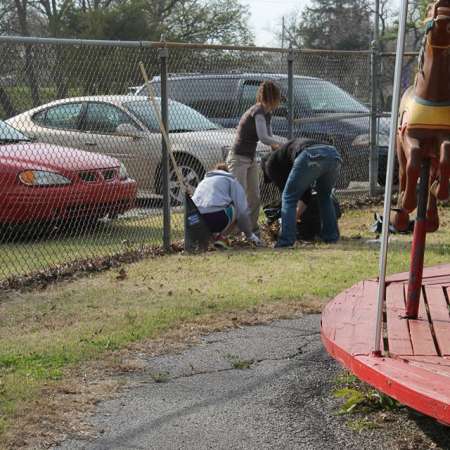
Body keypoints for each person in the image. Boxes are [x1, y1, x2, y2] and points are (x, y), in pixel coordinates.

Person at [226, 80, 286, 234]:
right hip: (238, 158)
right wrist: (281, 143)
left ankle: (251, 231)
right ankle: (230, 233)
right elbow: (264, 138)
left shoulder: (267, 113)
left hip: (251, 158)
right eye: (277, 98)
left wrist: (281, 148)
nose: (279, 102)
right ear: (272, 98)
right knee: (238, 197)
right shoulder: (258, 111)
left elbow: (270, 137)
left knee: (254, 197)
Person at [262, 138, 342, 248]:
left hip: (311, 154)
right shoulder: (286, 157)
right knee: (324, 197)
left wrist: (288, 218)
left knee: (288, 198)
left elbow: (289, 197)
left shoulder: (270, 164)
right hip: (333, 155)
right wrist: (297, 214)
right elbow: (306, 195)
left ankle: (286, 241)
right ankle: (331, 237)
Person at [192, 163, 262, 249]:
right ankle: (221, 238)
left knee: (217, 207)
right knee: (237, 207)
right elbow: (242, 212)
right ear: (227, 172)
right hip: (217, 219)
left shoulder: (202, 182)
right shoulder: (231, 180)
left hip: (196, 221)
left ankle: (209, 240)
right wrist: (250, 235)